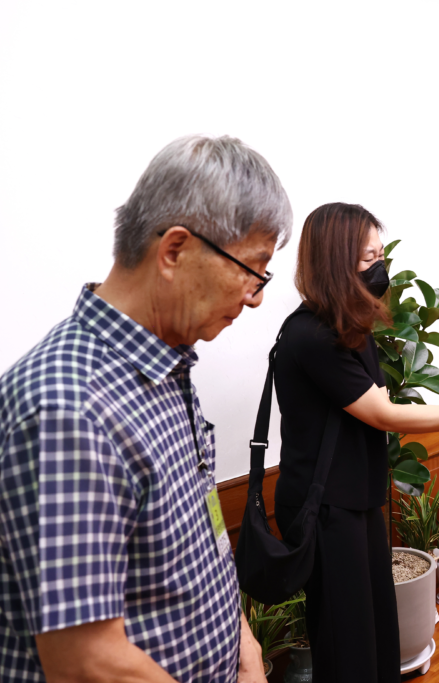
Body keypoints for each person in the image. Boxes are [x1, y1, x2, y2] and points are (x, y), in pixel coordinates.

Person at [0, 135, 288, 682]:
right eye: (252, 269)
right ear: (175, 250)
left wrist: (243, 642)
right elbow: (86, 662)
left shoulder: (167, 364)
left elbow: (201, 533)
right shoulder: (69, 408)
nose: (255, 296)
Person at [273, 202, 439, 683]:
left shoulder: (348, 328)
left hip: (357, 499)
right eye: (368, 257)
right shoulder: (310, 335)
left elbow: (378, 400)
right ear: (334, 260)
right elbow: (384, 413)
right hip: (327, 506)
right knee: (346, 637)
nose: (380, 267)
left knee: (374, 628)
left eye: (380, 254)